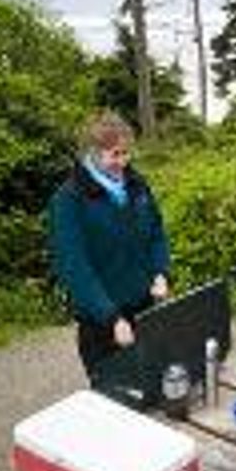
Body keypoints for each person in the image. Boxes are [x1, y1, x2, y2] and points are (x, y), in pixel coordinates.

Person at [47, 110, 171, 382]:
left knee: (150, 388)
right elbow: (74, 268)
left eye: (126, 153)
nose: (122, 162)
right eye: (115, 154)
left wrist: (160, 273)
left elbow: (157, 234)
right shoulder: (69, 200)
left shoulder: (138, 187)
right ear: (93, 153)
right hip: (101, 323)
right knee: (112, 401)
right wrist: (112, 318)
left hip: (144, 309)